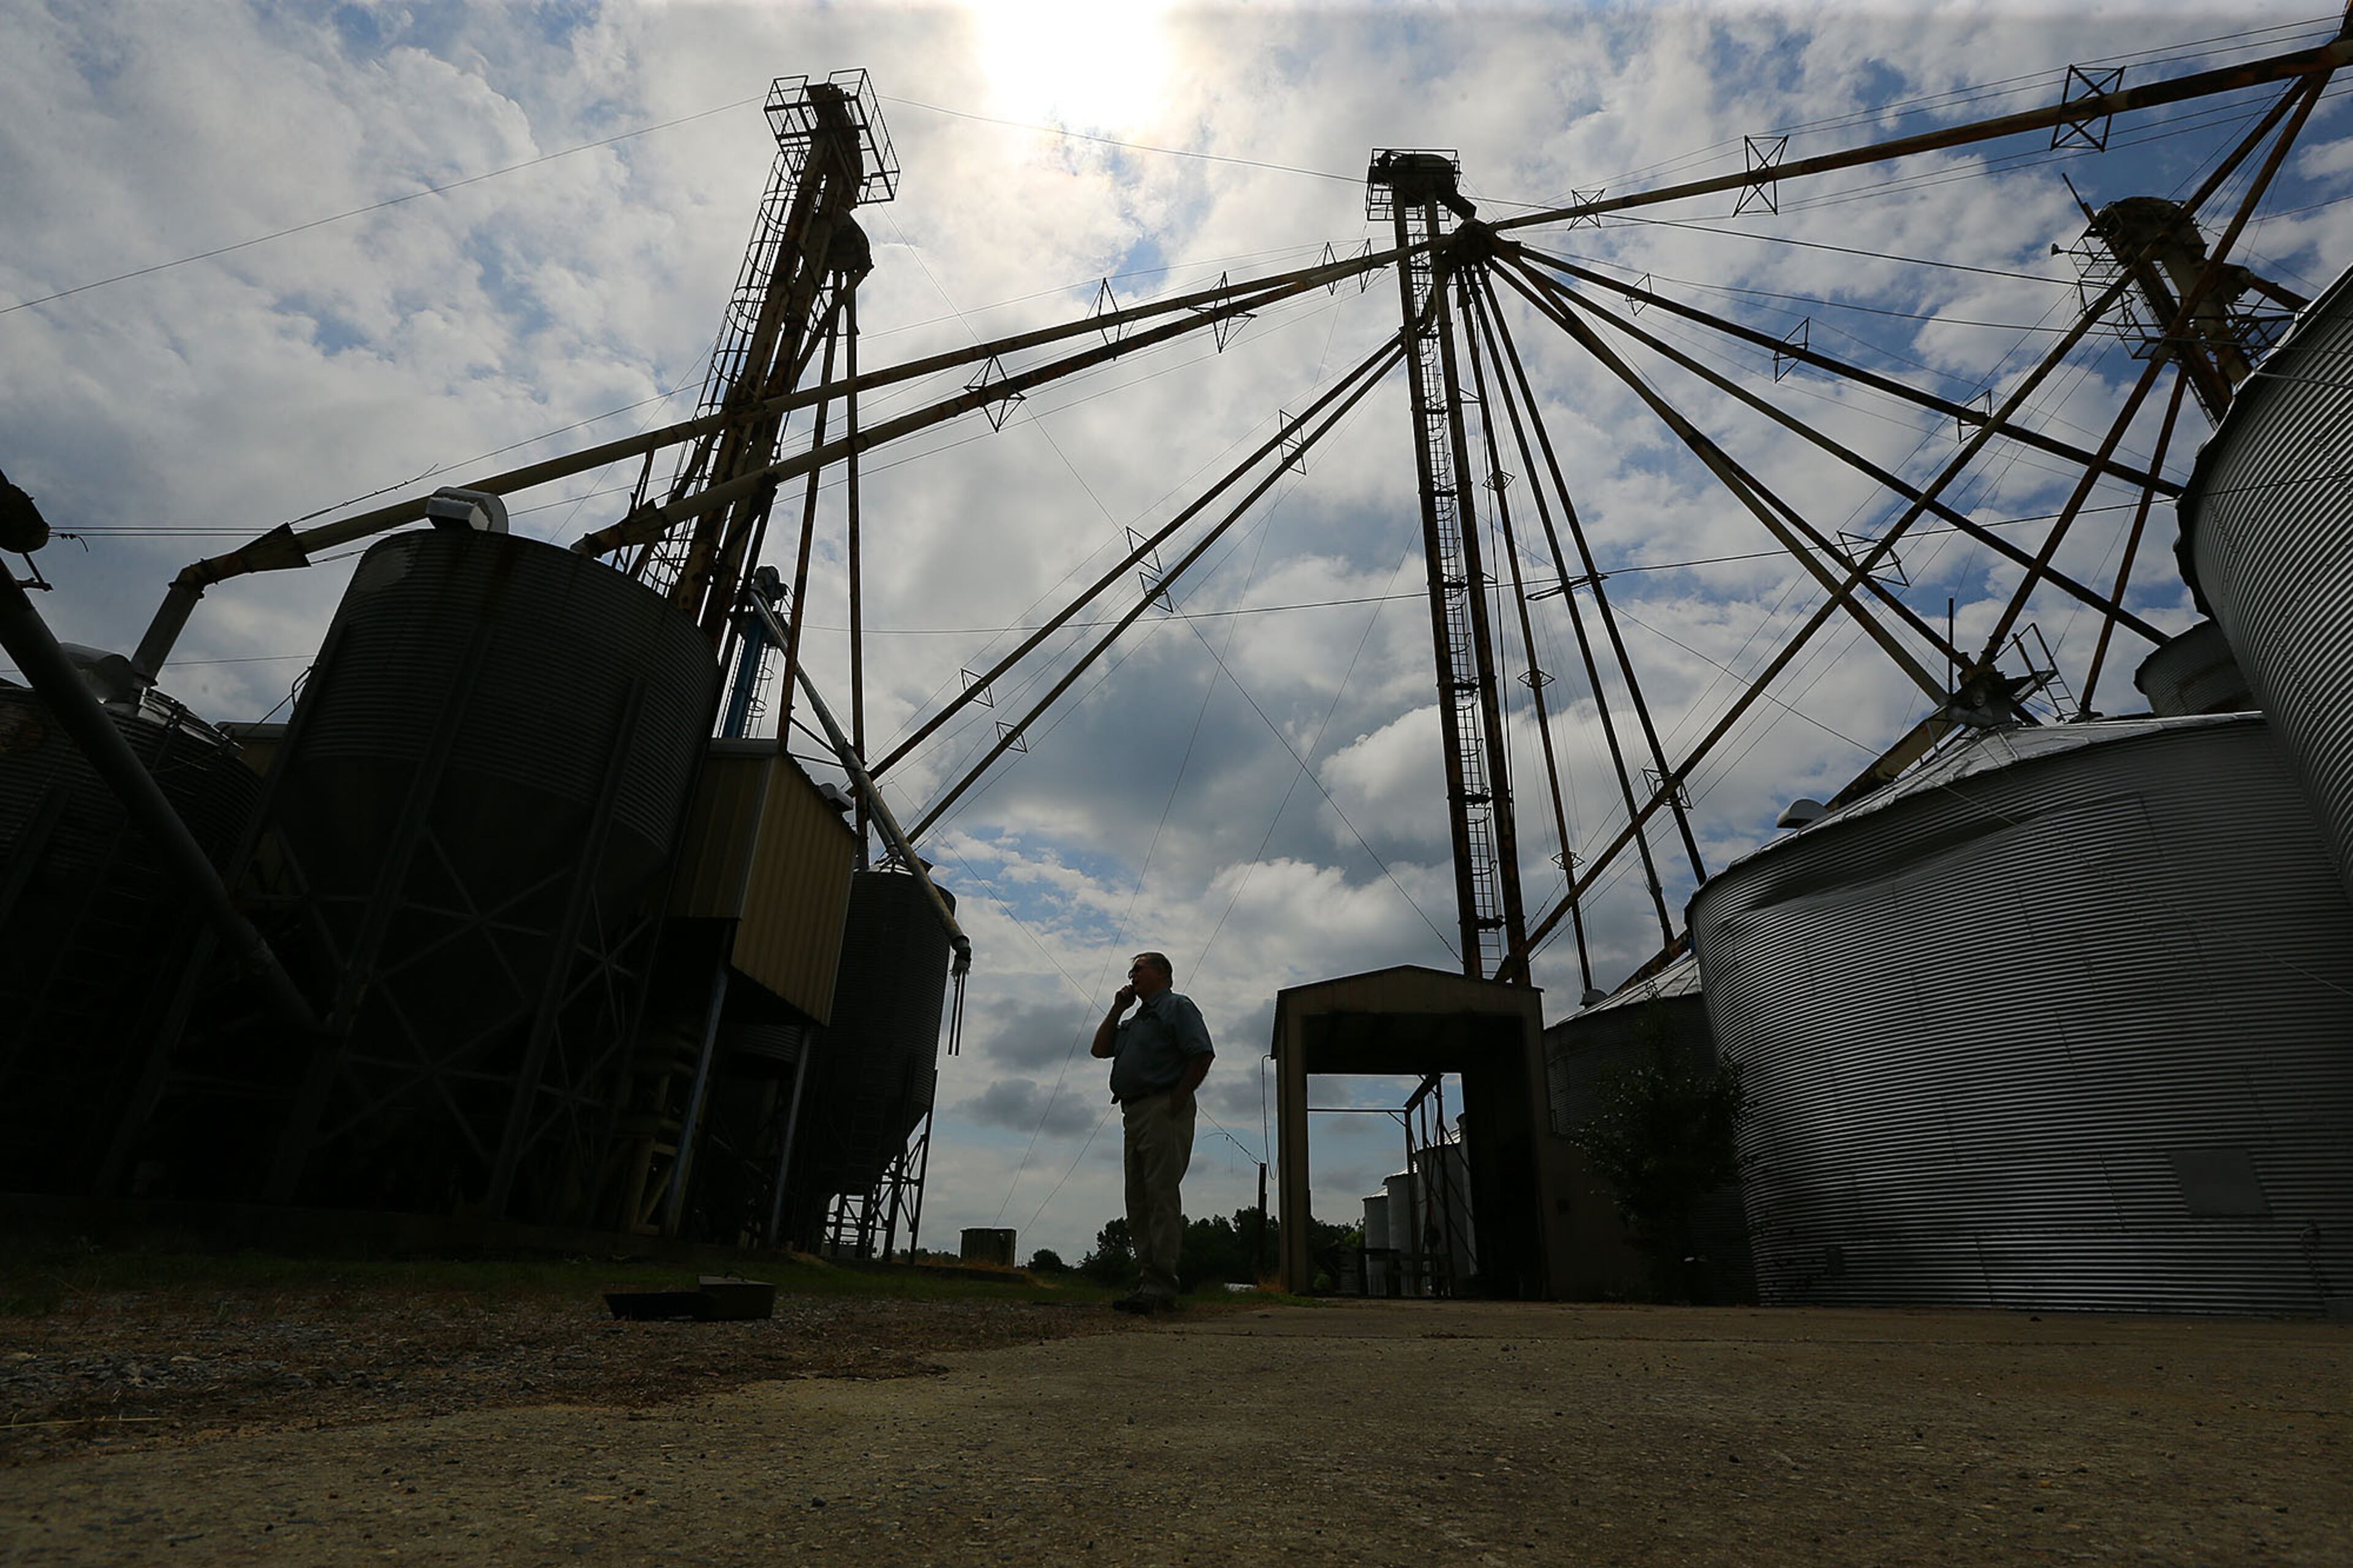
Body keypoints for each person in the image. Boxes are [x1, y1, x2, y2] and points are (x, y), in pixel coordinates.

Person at [1091, 950, 1213, 1312]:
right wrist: (1117, 1009)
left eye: (1138, 969)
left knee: (1160, 1194)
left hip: (1162, 1108)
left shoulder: (1177, 1006)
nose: (1132, 976)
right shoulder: (1137, 1019)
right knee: (1139, 1199)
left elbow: (1202, 1054)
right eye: (1131, 971)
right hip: (1134, 1111)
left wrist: (1177, 1099)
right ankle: (1148, 1283)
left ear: (1162, 973)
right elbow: (1100, 1050)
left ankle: (1162, 1286)